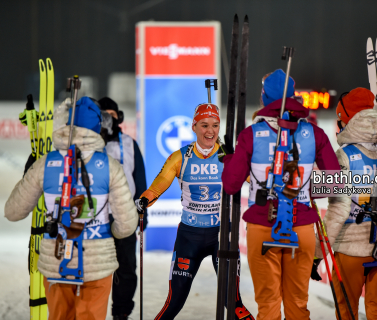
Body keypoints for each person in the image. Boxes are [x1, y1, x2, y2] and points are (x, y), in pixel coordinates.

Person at [221, 69, 341, 320]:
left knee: (268, 304)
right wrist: (303, 192)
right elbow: (335, 184)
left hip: (262, 228)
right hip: (302, 228)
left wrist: (231, 159)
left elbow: (231, 185)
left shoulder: (250, 135)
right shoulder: (315, 133)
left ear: (265, 98)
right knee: (298, 304)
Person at [5, 97, 139, 319]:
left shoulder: (45, 163)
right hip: (97, 263)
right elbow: (126, 227)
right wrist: (110, 230)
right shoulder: (111, 167)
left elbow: (12, 211)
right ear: (98, 126)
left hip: (57, 260)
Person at [135, 102, 254, 320]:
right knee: (174, 302)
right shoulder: (181, 157)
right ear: (194, 126)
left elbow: (256, 181)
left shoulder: (228, 156)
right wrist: (143, 200)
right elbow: (158, 185)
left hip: (222, 235)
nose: (210, 131)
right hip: (189, 237)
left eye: (215, 125)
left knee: (233, 303)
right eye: (204, 125)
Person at [315, 88, 377, 319]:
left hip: (351, 250)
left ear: (346, 119)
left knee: (346, 312)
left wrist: (316, 252)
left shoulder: (343, 156)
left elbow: (338, 211)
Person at [98, 97, 148, 320]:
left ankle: (122, 312)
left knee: (126, 268)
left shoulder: (129, 143)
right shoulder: (88, 144)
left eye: (113, 114)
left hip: (125, 216)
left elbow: (140, 180)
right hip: (96, 218)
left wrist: (141, 213)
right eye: (104, 114)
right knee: (95, 269)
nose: (109, 119)